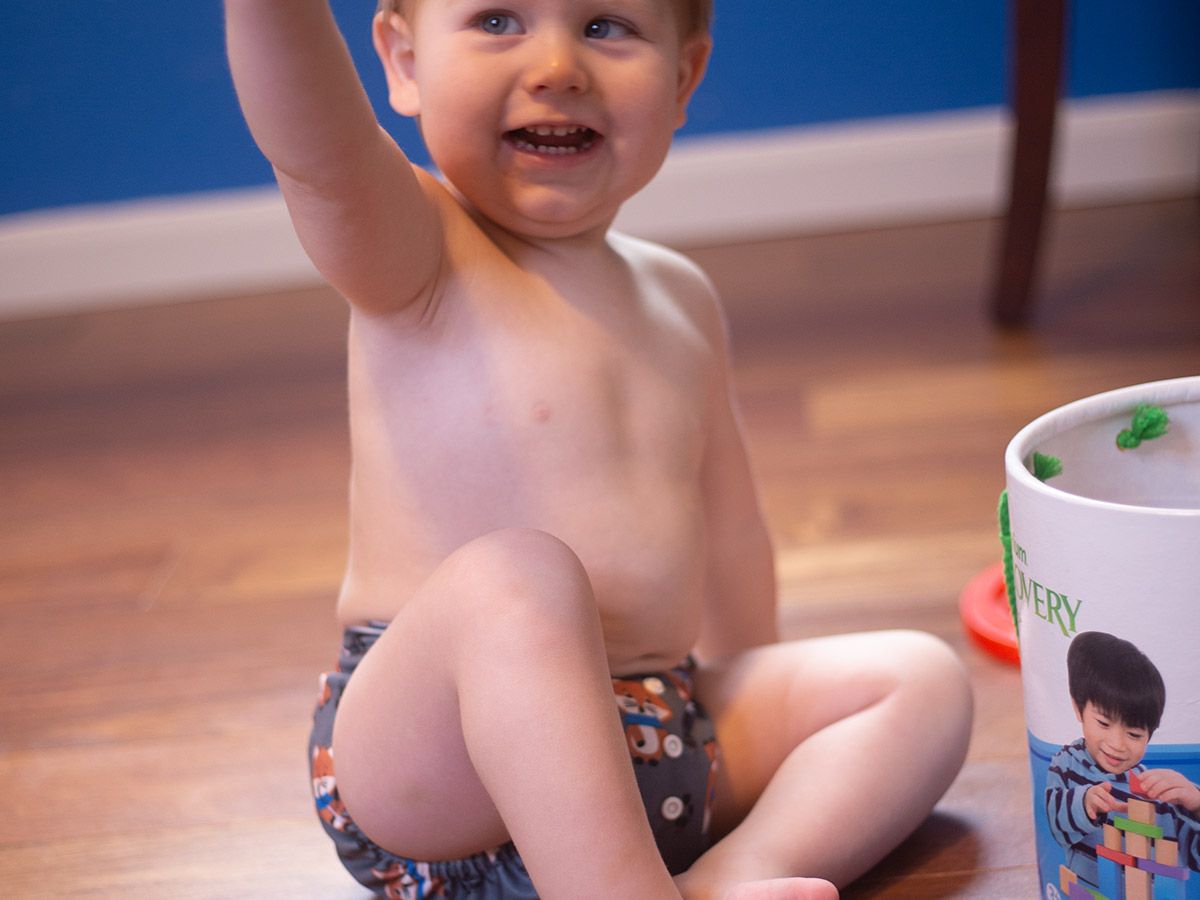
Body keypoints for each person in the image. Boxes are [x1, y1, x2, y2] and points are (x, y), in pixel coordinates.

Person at [224, 1, 974, 897]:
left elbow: (731, 532)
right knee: (518, 577)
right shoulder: (419, 253)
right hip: (437, 763)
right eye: (499, 20)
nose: (556, 65)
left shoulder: (681, 297)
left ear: (684, 77)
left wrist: (758, 708)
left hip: (661, 726)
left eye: (607, 25)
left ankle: (735, 874)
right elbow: (318, 152)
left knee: (918, 680)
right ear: (403, 60)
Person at [1046, 631, 1200, 887]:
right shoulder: (1067, 763)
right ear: (1078, 708)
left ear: (1150, 735)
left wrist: (1196, 804)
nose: (1117, 745)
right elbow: (1056, 824)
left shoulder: (1155, 792)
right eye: (1103, 723)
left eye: (1134, 734)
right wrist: (1085, 803)